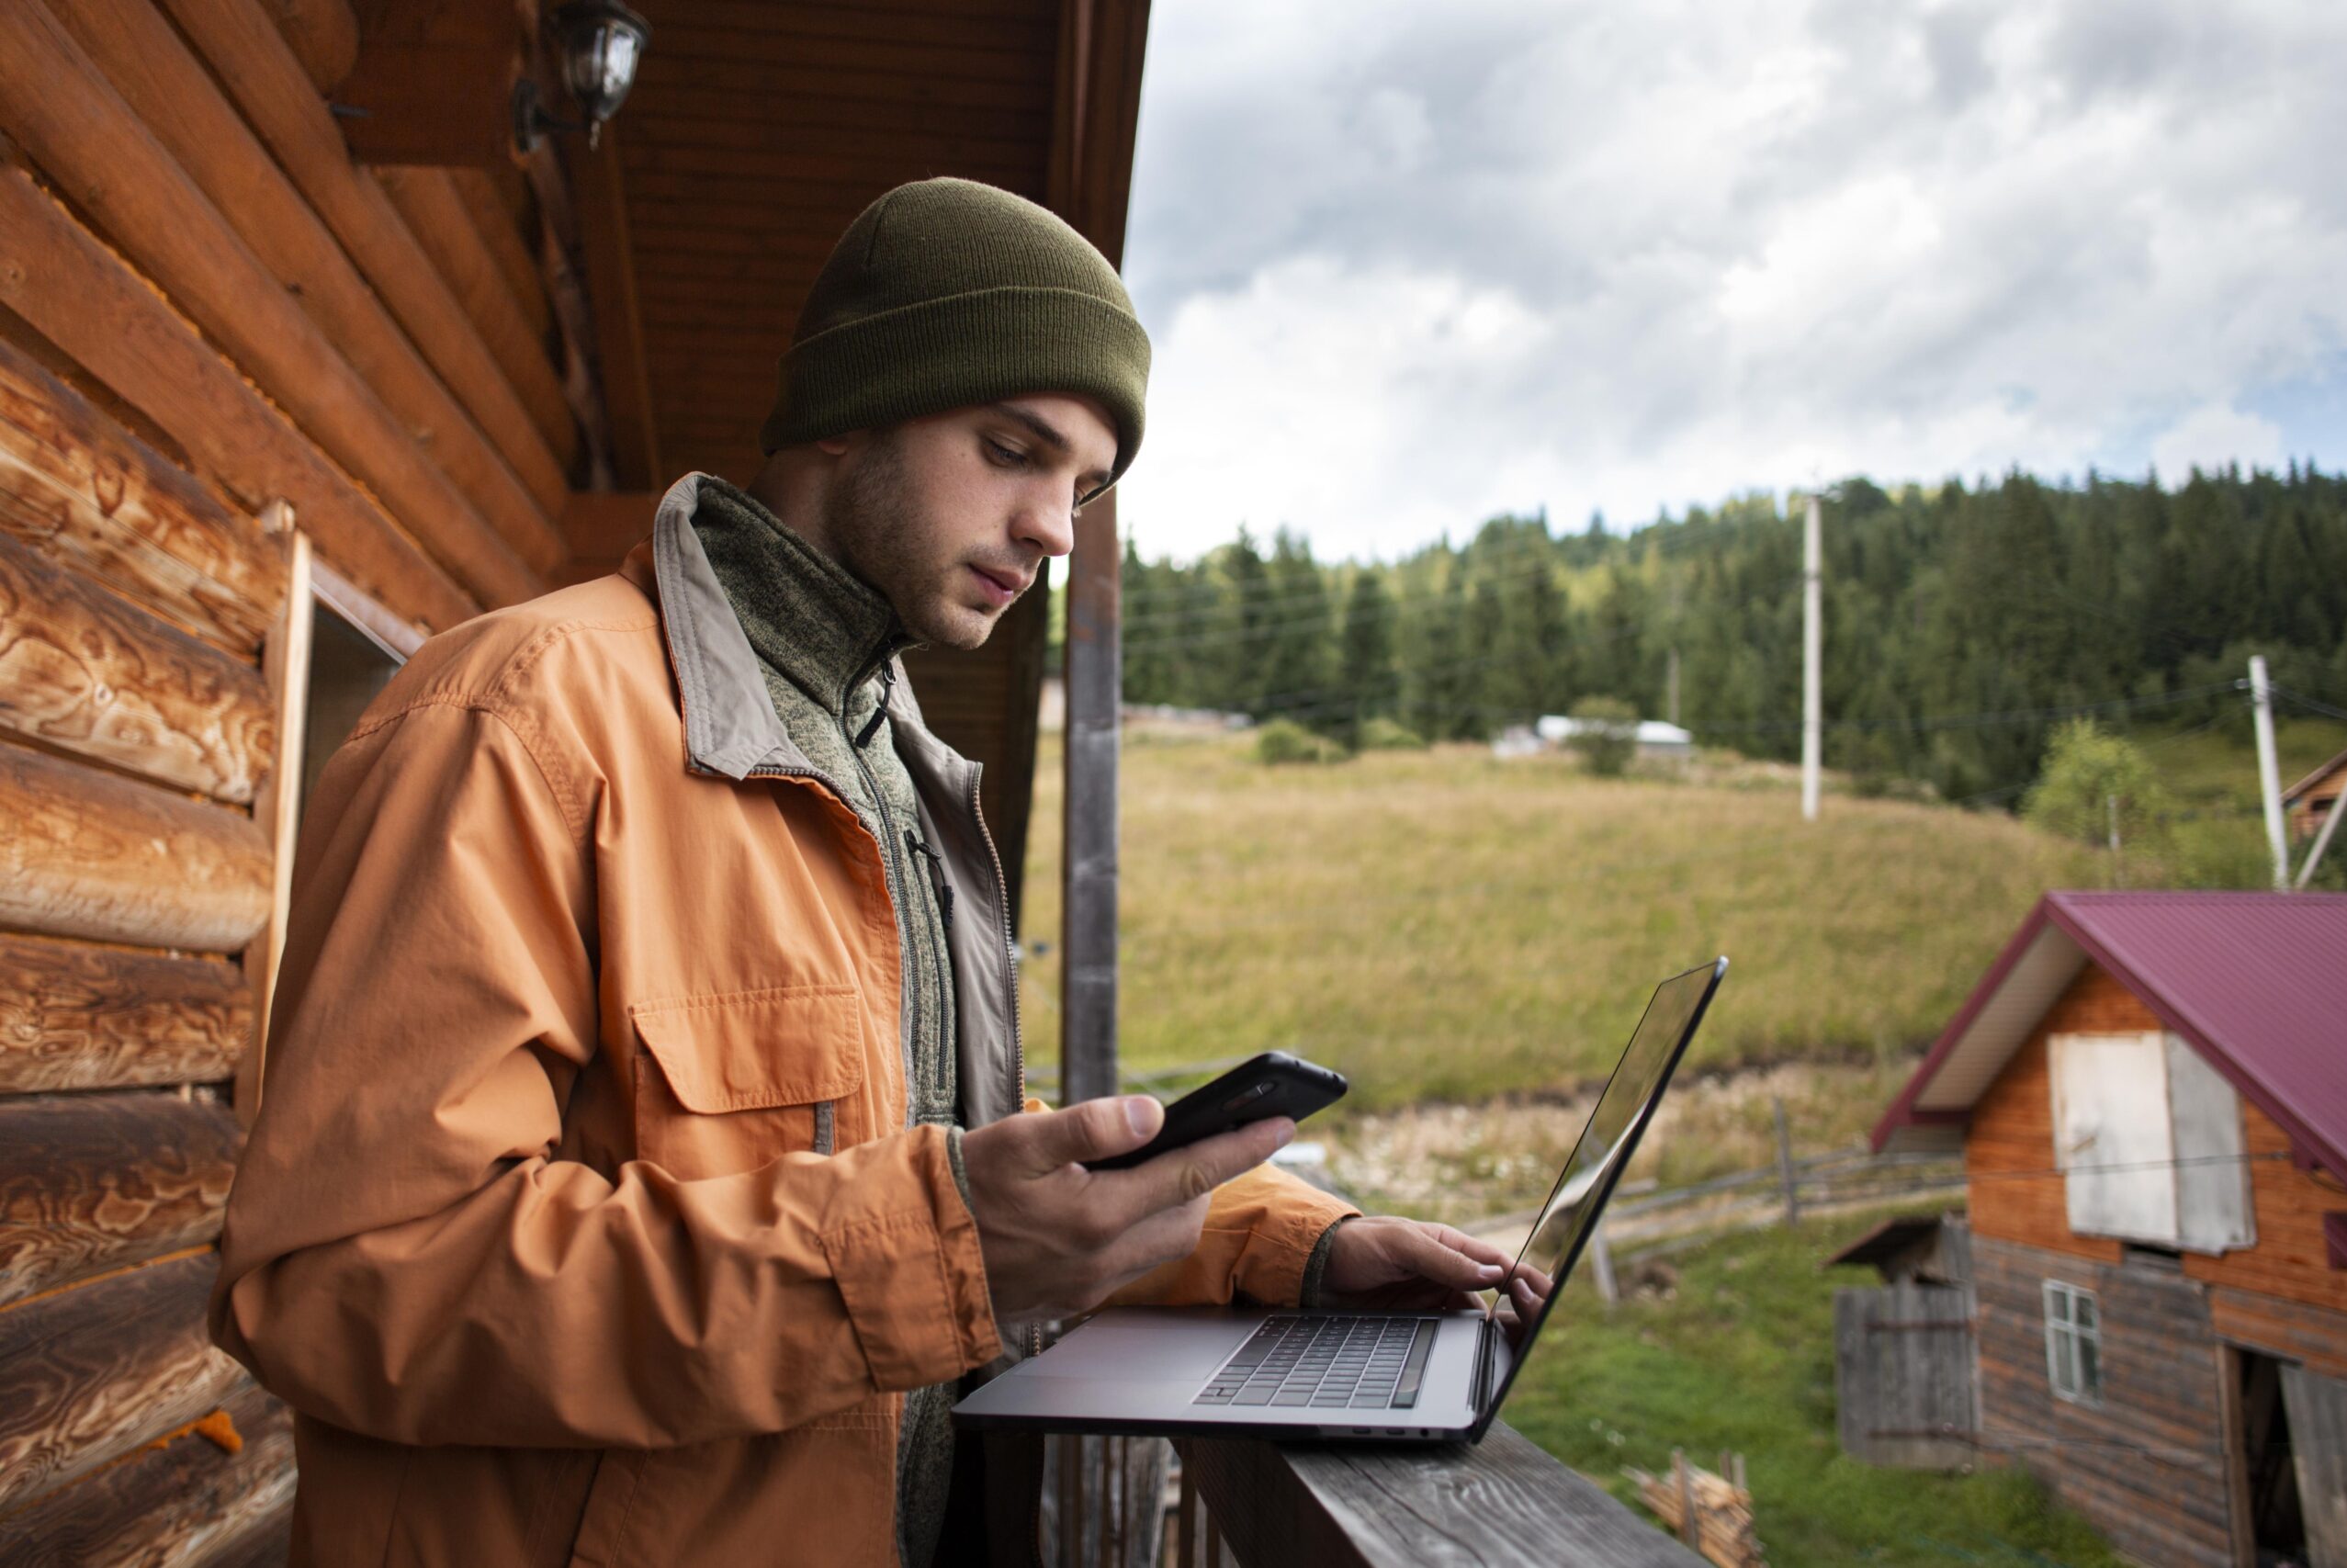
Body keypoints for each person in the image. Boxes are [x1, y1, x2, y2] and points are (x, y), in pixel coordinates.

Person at [209, 177, 1512, 1568]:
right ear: (852, 403)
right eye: (1012, 449)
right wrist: (928, 1253)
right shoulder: (520, 711)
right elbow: (344, 1280)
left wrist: (1283, 1246)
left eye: (1081, 487)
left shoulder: (899, 769)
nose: (1056, 529)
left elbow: (924, 1148)